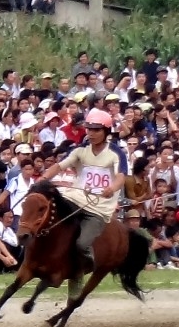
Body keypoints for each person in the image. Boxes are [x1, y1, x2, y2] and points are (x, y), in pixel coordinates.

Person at [37, 109, 124, 272]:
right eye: (89, 129)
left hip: (99, 206)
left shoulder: (116, 153)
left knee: (82, 243)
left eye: (96, 130)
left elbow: (120, 176)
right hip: (76, 198)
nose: (91, 133)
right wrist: (42, 179)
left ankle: (88, 261)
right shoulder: (79, 150)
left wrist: (112, 188)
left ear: (106, 131)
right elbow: (59, 166)